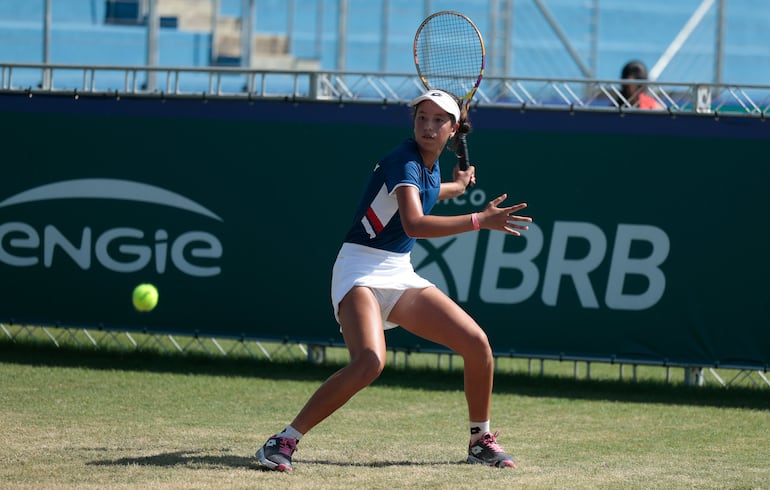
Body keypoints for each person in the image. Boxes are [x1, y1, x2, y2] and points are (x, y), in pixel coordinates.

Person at [256, 89, 532, 472]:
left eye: (439, 121)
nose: (429, 127)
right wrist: (478, 220)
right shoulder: (402, 160)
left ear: (453, 130)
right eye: (422, 118)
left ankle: (479, 441)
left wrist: (459, 185)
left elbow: (434, 190)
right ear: (413, 121)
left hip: (398, 271)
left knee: (476, 344)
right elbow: (414, 223)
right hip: (358, 270)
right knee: (369, 361)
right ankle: (282, 440)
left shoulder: (428, 165)